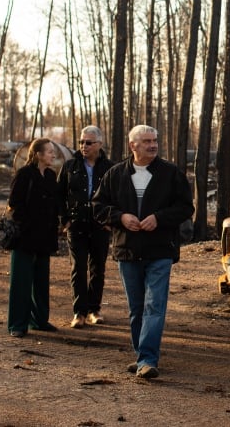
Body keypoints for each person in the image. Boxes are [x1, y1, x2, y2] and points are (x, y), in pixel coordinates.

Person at [92, 125, 194, 379]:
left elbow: (185, 207)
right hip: (127, 250)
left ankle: (148, 358)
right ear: (132, 145)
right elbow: (97, 206)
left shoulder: (171, 174)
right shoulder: (115, 174)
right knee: (136, 307)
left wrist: (159, 218)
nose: (153, 145)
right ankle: (141, 356)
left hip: (160, 250)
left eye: (155, 140)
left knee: (154, 305)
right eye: (147, 141)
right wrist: (120, 216)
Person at [57, 126, 115, 329]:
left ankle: (94, 310)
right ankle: (79, 312)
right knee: (78, 269)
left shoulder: (109, 168)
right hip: (76, 225)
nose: (84, 146)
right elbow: (60, 195)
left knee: (98, 269)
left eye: (88, 142)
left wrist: (110, 221)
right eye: (81, 142)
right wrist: (65, 220)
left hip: (100, 226)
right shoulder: (70, 166)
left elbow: (116, 197)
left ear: (99, 144)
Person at [7, 138, 61, 338]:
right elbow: (15, 204)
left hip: (45, 238)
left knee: (41, 281)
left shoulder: (50, 175)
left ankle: (39, 320)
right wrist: (27, 225)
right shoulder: (24, 175)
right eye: (49, 152)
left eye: (53, 152)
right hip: (25, 238)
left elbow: (54, 205)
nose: (53, 155)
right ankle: (17, 324)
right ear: (38, 154)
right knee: (21, 282)